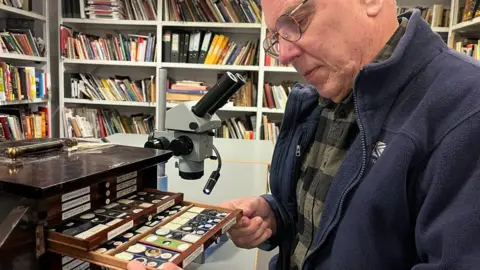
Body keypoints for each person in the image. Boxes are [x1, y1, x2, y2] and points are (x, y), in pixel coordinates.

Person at [130, 0, 480, 269]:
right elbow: (326, 221)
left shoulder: (466, 108)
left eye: (295, 21)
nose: (283, 54)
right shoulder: (317, 97)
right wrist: (274, 215)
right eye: (274, 37)